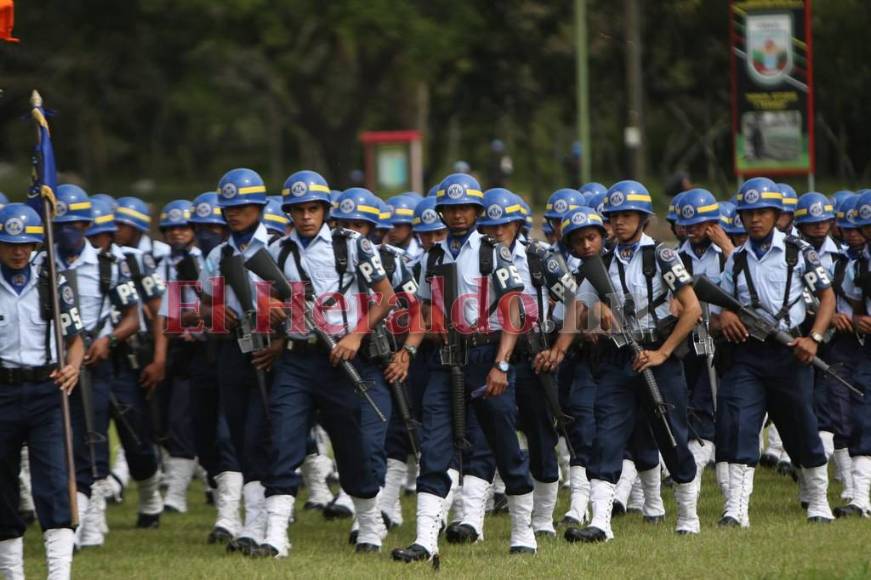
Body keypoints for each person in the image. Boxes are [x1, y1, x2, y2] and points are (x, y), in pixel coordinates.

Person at [390, 173, 536, 562]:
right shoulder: (432, 257)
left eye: (465, 209)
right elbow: (423, 310)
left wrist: (502, 364)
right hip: (445, 360)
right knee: (434, 446)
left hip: (487, 355)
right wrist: (408, 350)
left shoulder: (493, 252)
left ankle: (523, 531)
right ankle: (425, 539)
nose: (457, 215)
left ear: (476, 211)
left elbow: (514, 311)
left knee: (504, 444)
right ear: (441, 212)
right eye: (451, 209)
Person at [255, 171, 396, 557]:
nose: (305, 216)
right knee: (282, 441)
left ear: (325, 210)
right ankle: (275, 536)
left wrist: (356, 336)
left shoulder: (352, 245)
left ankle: (369, 524)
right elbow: (264, 301)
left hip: (341, 358)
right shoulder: (277, 251)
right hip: (296, 359)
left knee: (353, 447)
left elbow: (386, 297)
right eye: (298, 210)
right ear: (288, 212)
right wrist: (273, 308)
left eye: (313, 209)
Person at [565, 180, 703, 542]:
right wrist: (594, 314)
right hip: (617, 358)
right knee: (606, 435)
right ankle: (600, 522)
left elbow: (692, 309)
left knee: (672, 435)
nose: (620, 222)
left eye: (627, 215)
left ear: (643, 219)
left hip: (658, 355)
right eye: (614, 216)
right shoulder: (600, 263)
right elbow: (578, 313)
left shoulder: (662, 256)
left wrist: (663, 352)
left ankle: (688, 515)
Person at [714, 177, 836, 527]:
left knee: (801, 426)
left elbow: (827, 297)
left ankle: (818, 502)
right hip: (747, 354)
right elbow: (720, 306)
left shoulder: (799, 252)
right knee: (740, 424)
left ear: (778, 215)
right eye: (749, 213)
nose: (755, 220)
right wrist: (725, 316)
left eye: (763, 212)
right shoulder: (736, 259)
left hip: (791, 351)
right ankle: (736, 509)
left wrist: (814, 338)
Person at [40, 185, 148, 550]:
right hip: (50, 366)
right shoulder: (42, 264)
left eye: (75, 225)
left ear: (87, 225)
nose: (68, 232)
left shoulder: (109, 265)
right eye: (61, 225)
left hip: (94, 364)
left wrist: (109, 340)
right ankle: (65, 519)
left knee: (91, 439)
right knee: (55, 445)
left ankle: (88, 519)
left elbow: (133, 317)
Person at [0, 203, 84, 580]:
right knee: (2, 486)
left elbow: (76, 338)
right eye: (9, 244)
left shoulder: (52, 280)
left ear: (36, 245)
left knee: (53, 481)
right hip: (2, 392)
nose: (18, 251)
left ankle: (58, 573)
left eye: (26, 244)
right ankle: (12, 573)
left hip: (46, 391)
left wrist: (73, 367)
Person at [197, 168, 278, 555]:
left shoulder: (278, 246)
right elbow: (201, 305)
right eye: (229, 208)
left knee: (264, 434)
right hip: (233, 348)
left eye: (242, 207)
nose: (234, 213)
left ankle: (264, 522)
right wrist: (213, 312)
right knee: (240, 434)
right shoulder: (219, 255)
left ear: (259, 208)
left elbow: (299, 299)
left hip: (272, 348)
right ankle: (252, 520)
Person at [537, 206, 607, 528]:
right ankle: (578, 506)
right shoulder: (569, 270)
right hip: (575, 356)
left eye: (591, 237)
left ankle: (633, 500)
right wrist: (560, 349)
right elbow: (573, 312)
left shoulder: (616, 265)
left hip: (612, 358)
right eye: (579, 241)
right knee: (576, 426)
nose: (586, 245)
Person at [673, 189, 733, 492]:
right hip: (690, 340)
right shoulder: (676, 256)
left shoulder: (728, 255)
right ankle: (692, 470)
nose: (693, 230)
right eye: (688, 225)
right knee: (693, 402)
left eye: (699, 224)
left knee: (721, 404)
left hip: (725, 339)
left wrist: (728, 247)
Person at [834, 190, 871, 517]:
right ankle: (860, 499)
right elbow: (857, 305)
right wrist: (859, 320)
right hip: (866, 350)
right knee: (863, 418)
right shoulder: (858, 265)